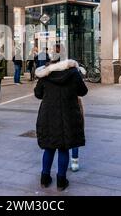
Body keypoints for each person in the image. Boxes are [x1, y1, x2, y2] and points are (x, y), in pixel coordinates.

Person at [35, 58, 88, 191]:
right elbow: (83, 91)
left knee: (49, 147)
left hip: (48, 115)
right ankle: (61, 181)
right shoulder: (74, 73)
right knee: (64, 148)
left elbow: (38, 93)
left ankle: (45, 178)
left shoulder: (46, 74)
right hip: (68, 115)